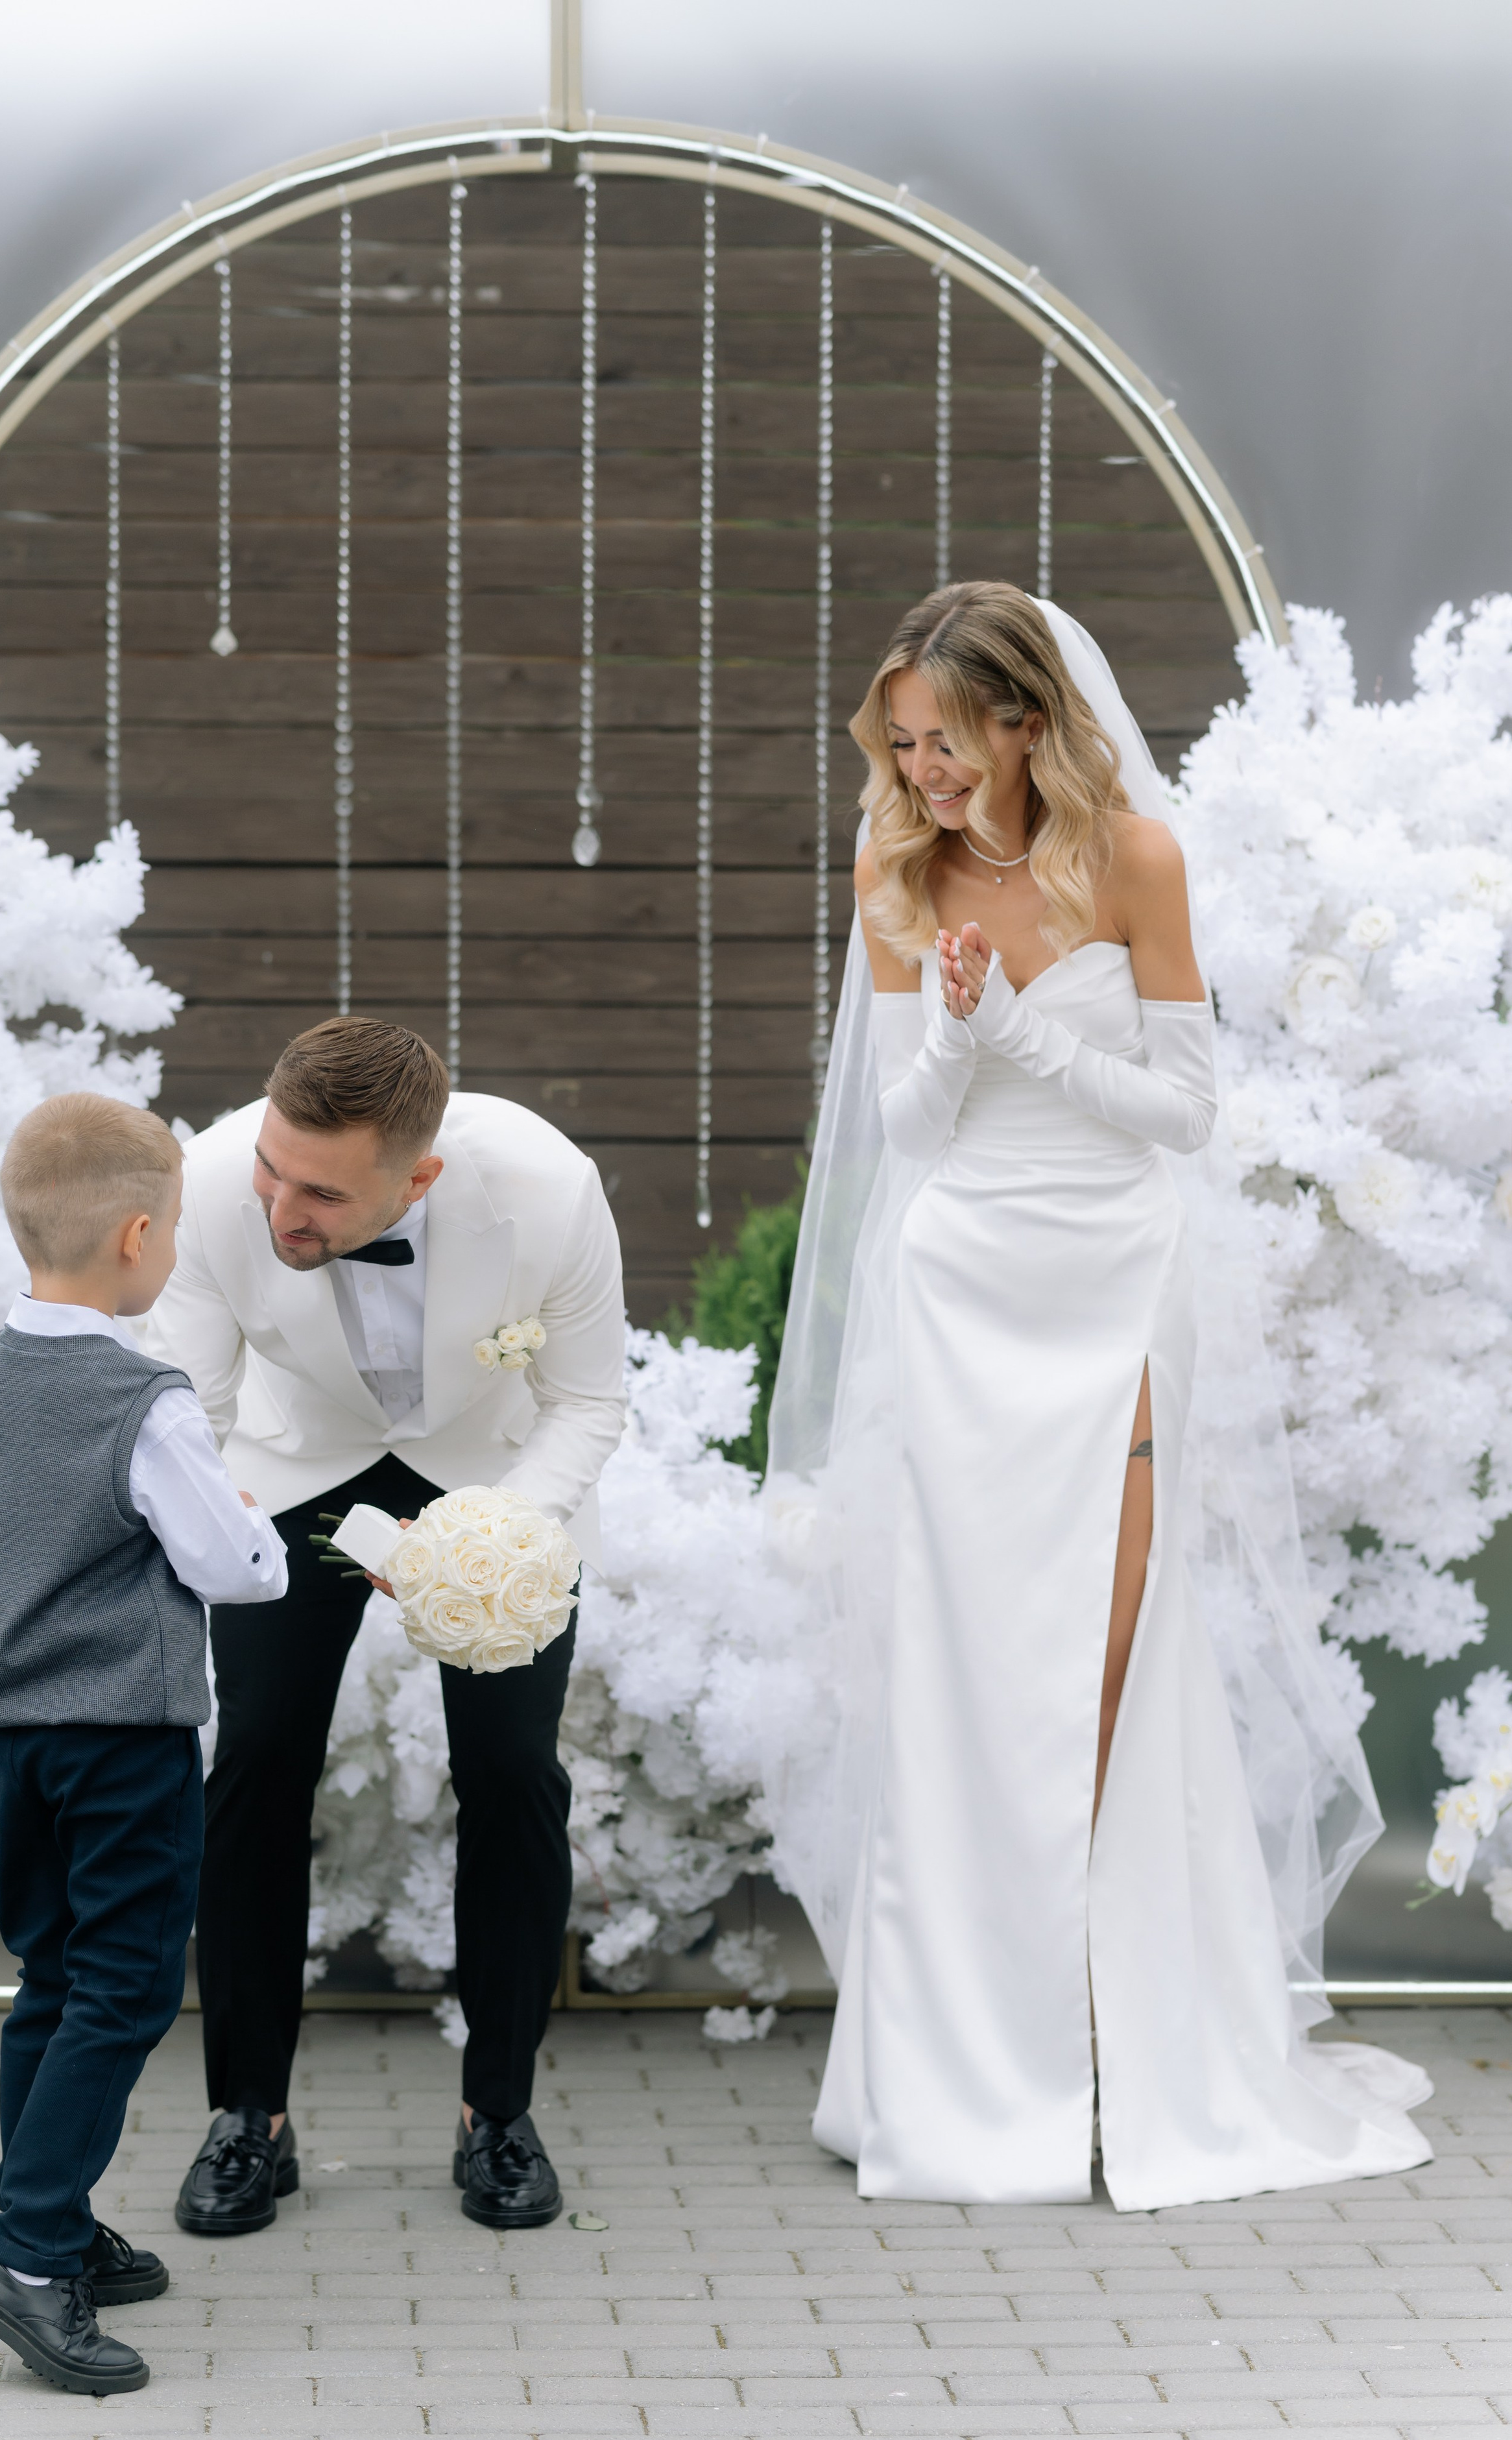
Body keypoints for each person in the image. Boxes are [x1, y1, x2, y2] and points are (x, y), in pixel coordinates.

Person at [762, 583, 1433, 2211]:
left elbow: (1185, 1111)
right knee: (967, 1654)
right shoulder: (896, 869)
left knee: (1110, 1650)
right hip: (960, 1284)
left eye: (942, 738)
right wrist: (960, 1029)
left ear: (1023, 720)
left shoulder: (1132, 857)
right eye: (900, 742)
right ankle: (974, 2047)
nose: (918, 769)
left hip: (1111, 1281)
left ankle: (1109, 2016)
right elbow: (912, 1135)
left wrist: (1031, 1039)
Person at [147, 1017, 625, 2234]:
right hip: (291, 1473)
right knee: (255, 1765)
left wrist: (492, 1544)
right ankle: (248, 2117)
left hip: (491, 1482)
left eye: (320, 1192)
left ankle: (499, 2113)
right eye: (274, 1167)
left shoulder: (551, 1191)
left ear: (421, 1177)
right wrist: (230, 1526)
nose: (279, 1210)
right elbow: (188, 1410)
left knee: (514, 1773)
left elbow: (585, 1399)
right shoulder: (208, 1186)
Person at [0, 1093, 289, 2394]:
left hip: (21, 1737)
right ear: (138, 1235)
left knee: (55, 1976)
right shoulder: (145, 1397)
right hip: (129, 1741)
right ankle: (26, 2258)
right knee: (126, 1988)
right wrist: (260, 1534)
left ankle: (57, 2225)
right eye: (178, 1229)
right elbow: (228, 1565)